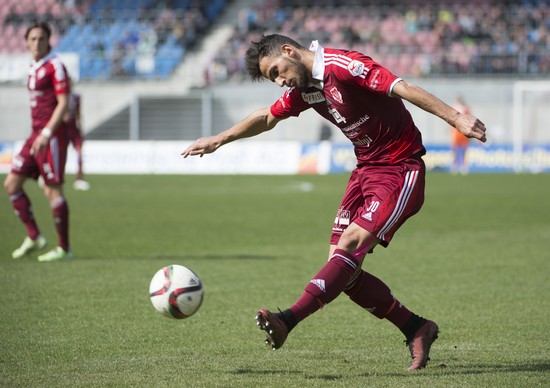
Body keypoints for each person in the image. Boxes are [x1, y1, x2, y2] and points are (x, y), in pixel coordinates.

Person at [181, 34, 487, 370]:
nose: (280, 81)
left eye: (277, 72)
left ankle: (288, 320)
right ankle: (416, 327)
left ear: (289, 51)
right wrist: (218, 139)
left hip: (400, 168)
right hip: (365, 172)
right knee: (343, 271)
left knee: (350, 246)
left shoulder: (343, 67)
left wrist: (456, 118)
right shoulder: (305, 89)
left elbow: (402, 87)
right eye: (273, 78)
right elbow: (269, 117)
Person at [4, 21, 73, 262]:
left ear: (48, 41)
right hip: (35, 135)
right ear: (26, 42)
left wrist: (46, 133)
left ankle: (64, 248)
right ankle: (34, 236)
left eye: (41, 39)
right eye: (32, 39)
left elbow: (63, 103)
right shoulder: (33, 68)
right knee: (12, 184)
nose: (36, 43)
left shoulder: (55, 66)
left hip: (51, 136)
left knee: (52, 191)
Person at [64, 77, 91, 191]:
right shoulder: (60, 96)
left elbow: (78, 113)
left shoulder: (76, 97)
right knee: (60, 154)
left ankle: (79, 178)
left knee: (80, 152)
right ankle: (53, 176)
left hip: (74, 129)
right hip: (62, 129)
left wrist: (81, 127)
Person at [450, 95, 471, 174]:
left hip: (464, 132)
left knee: (464, 150)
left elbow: (469, 119)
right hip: (455, 132)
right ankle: (454, 165)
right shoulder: (453, 107)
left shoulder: (465, 108)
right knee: (455, 149)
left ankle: (463, 165)